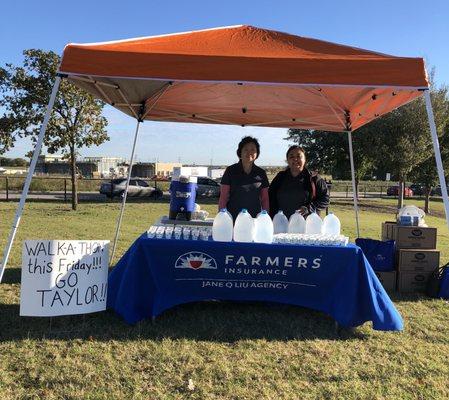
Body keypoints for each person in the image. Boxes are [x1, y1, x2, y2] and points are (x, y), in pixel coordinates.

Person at [269, 145, 329, 219]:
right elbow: (269, 197)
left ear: (305, 159)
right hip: (282, 224)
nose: (295, 159)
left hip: (306, 225)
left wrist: (309, 208)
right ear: (287, 160)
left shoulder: (314, 178)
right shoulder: (280, 177)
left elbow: (325, 199)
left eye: (299, 156)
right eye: (291, 157)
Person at [218, 136, 269, 221]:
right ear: (240, 152)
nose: (249, 152)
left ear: (257, 153)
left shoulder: (261, 173)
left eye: (253, 149)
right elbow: (223, 197)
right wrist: (221, 218)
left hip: (254, 219)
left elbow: (265, 199)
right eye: (246, 149)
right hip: (233, 218)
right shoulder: (230, 170)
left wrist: (265, 218)